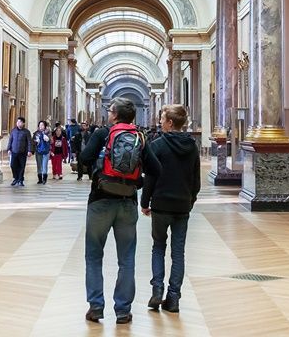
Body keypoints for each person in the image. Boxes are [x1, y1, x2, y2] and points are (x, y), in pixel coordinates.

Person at [79, 97, 160, 325]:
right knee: (126, 258)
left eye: (110, 111)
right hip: (127, 202)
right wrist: (137, 182)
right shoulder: (140, 136)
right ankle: (123, 310)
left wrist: (99, 167)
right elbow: (156, 169)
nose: (108, 114)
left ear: (115, 115)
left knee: (94, 256)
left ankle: (96, 307)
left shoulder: (102, 134)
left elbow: (84, 158)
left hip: (100, 200)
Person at [141, 104, 200, 315]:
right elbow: (196, 180)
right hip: (182, 205)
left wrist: (145, 202)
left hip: (161, 205)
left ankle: (157, 290)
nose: (160, 122)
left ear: (170, 122)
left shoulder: (157, 146)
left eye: (162, 119)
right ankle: (173, 298)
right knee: (178, 252)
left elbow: (150, 177)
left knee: (158, 247)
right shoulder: (192, 147)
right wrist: (190, 200)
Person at [7, 117, 32, 186]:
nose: (18, 123)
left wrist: (29, 150)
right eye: (17, 122)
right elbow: (10, 140)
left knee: (22, 166)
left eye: (20, 122)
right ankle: (16, 178)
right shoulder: (13, 131)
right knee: (12, 165)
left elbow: (29, 142)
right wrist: (9, 149)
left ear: (23, 123)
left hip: (23, 152)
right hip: (14, 151)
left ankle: (20, 180)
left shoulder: (26, 132)